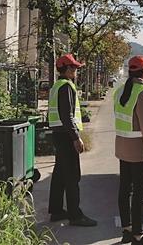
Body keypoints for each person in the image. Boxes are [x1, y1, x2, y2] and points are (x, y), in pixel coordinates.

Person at [48, 53, 97, 227]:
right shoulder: (66, 86)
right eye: (74, 67)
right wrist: (76, 138)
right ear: (68, 69)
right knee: (72, 176)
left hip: (59, 135)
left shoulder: (56, 85)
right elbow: (67, 115)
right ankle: (75, 216)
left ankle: (56, 211)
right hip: (66, 136)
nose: (76, 70)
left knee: (60, 175)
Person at [115, 55, 143, 245]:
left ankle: (127, 230)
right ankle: (138, 236)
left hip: (123, 147)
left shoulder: (120, 92)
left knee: (125, 190)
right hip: (139, 150)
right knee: (141, 194)